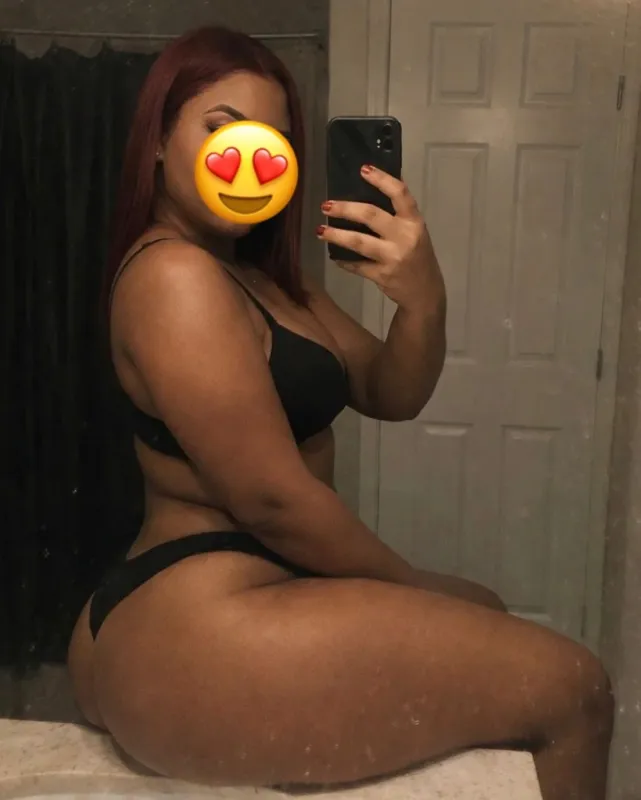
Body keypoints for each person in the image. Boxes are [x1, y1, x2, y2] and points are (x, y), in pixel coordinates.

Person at [67, 26, 613, 800]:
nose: (251, 159)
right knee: (575, 693)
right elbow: (271, 499)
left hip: (228, 600)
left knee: (492, 617)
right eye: (222, 130)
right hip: (196, 612)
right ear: (158, 140)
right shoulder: (174, 276)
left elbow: (392, 391)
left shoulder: (264, 282)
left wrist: (423, 300)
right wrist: (412, 583)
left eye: (274, 140)